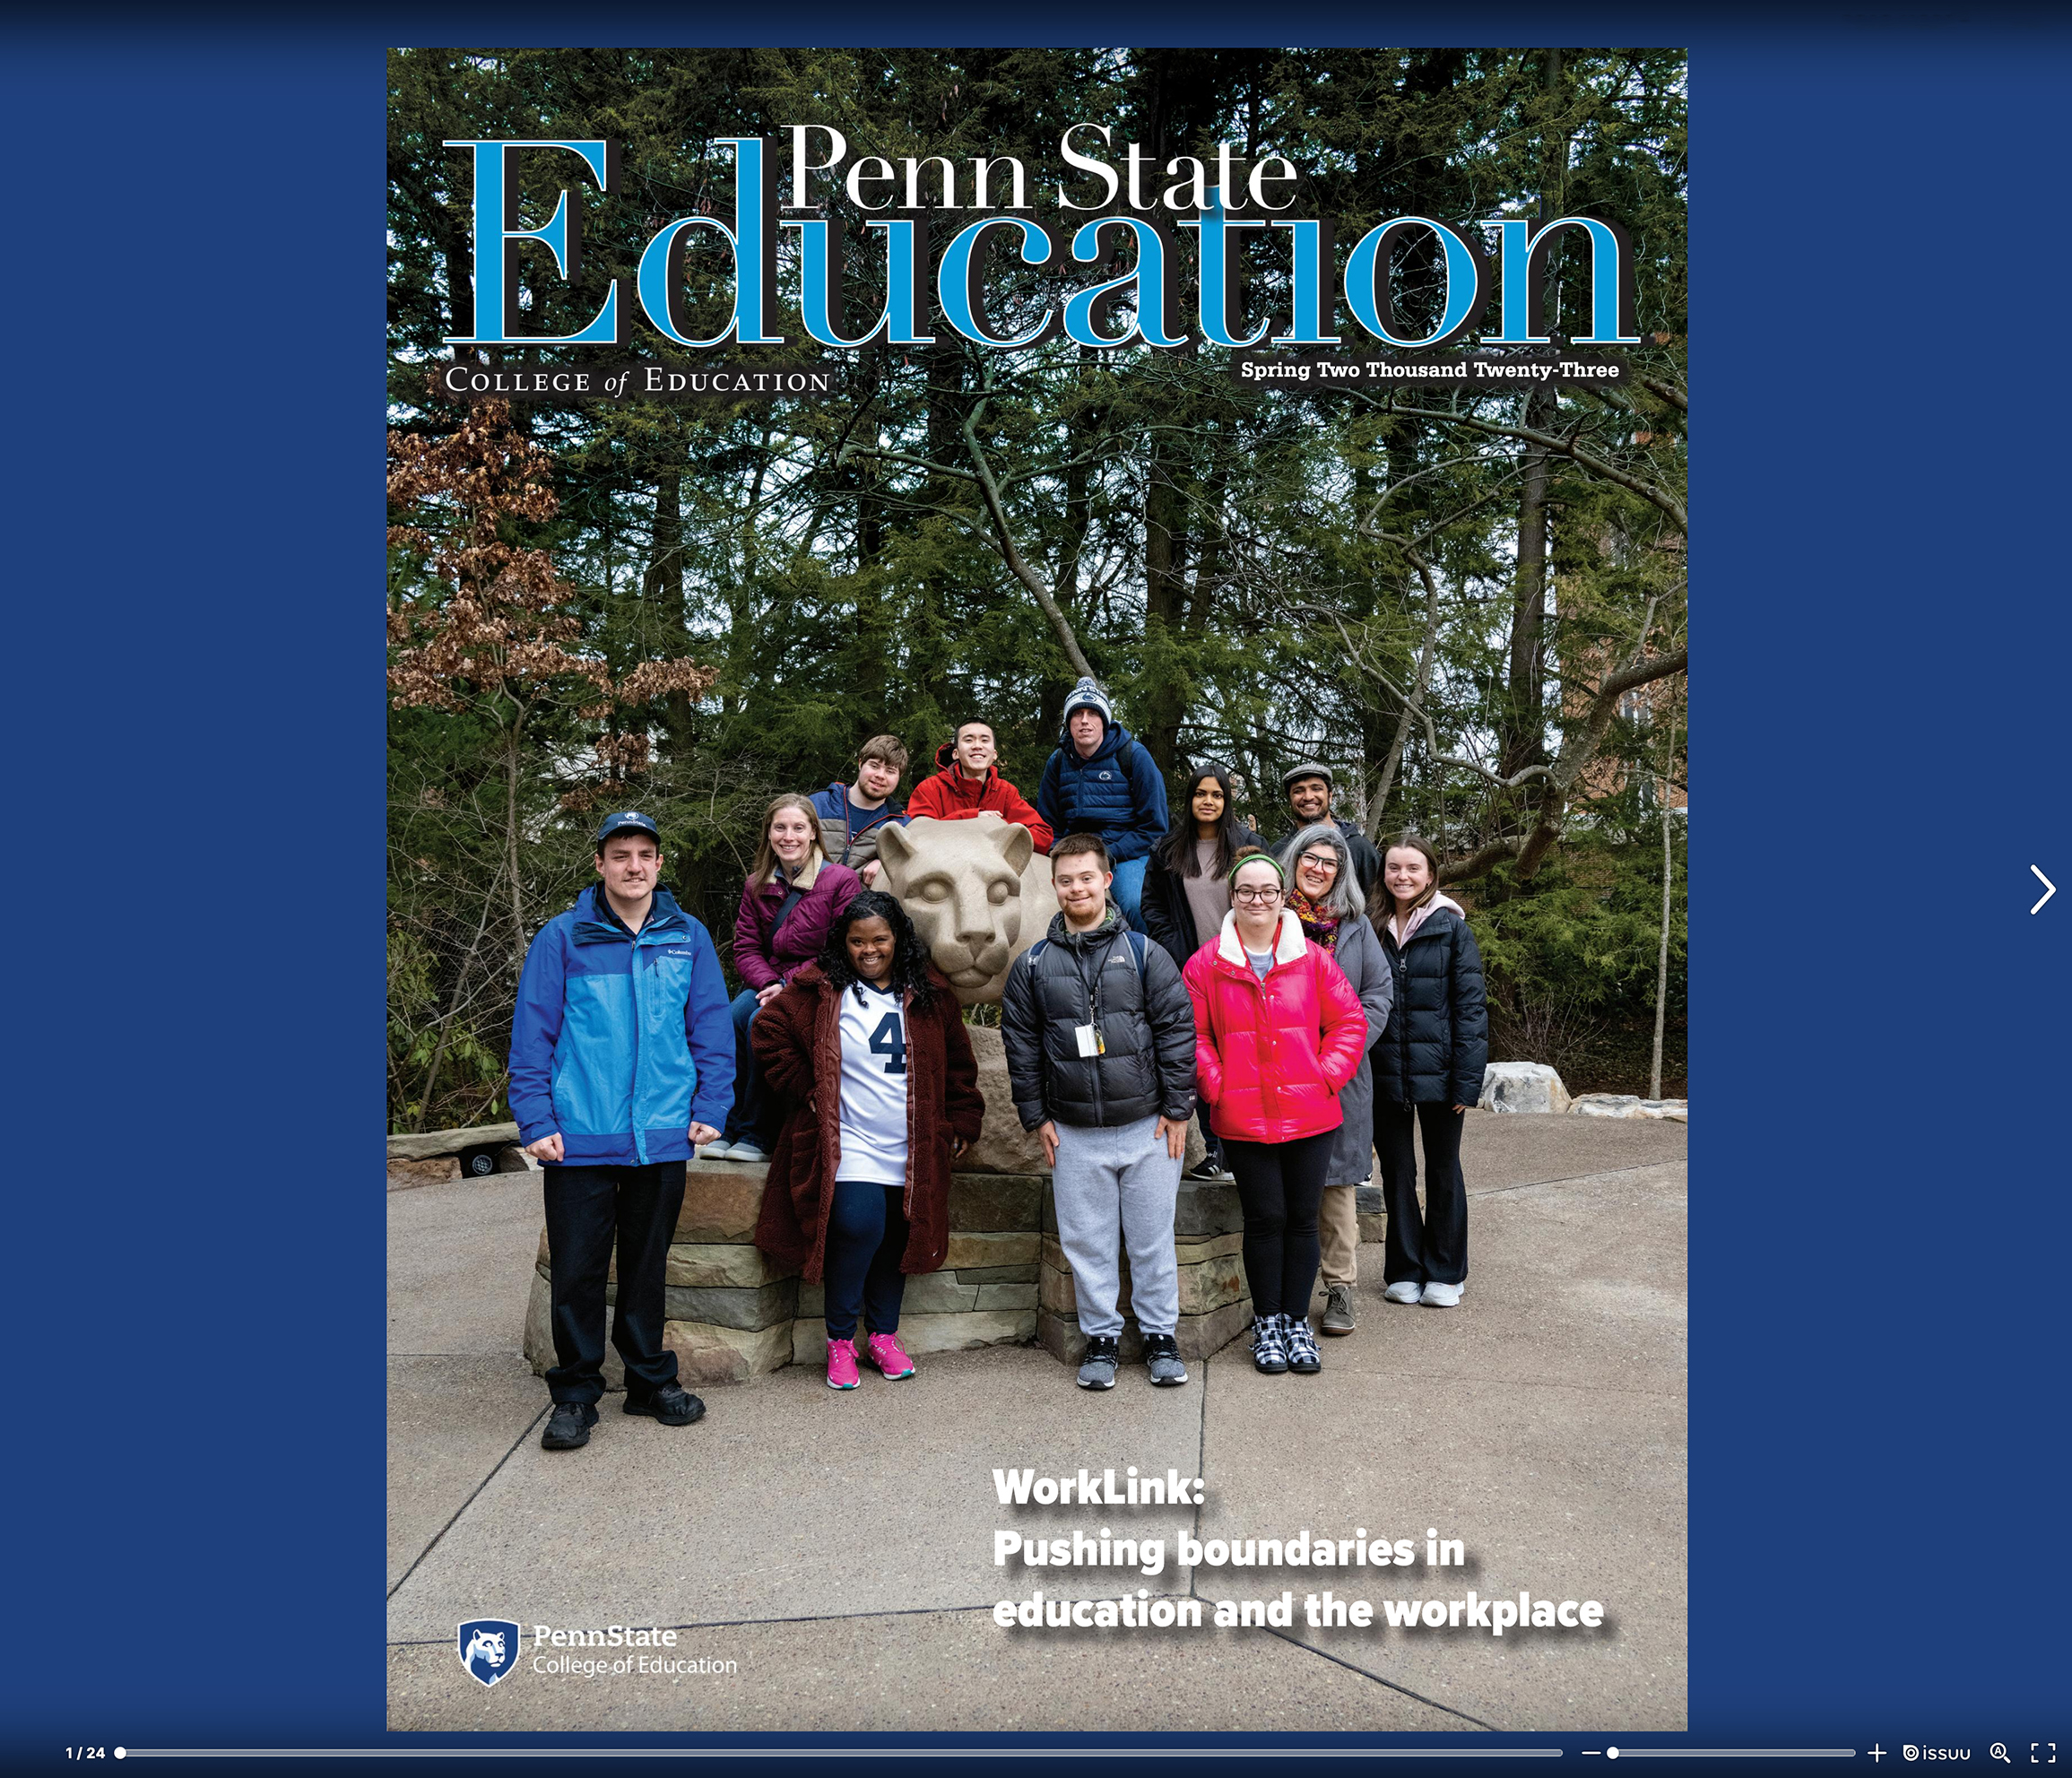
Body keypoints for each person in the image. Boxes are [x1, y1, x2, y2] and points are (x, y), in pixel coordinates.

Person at [508, 811, 736, 1451]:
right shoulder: (562, 938)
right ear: (600, 864)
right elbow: (533, 1036)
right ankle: (576, 1393)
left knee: (645, 1268)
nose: (633, 865)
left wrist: (712, 1105)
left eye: (644, 853)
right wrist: (536, 1118)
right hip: (577, 1136)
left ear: (659, 864)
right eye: (620, 854)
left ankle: (646, 1382)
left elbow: (712, 1031)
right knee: (578, 1271)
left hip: (661, 1133)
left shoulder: (687, 936)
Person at [752, 891, 985, 1389]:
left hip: (912, 1144)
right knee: (859, 1226)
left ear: (899, 939)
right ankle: (839, 1341)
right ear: (843, 942)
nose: (869, 950)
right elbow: (768, 1030)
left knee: (898, 1234)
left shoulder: (931, 996)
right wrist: (805, 1088)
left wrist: (963, 1119)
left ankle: (882, 1337)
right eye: (857, 941)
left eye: (880, 939)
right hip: (848, 1140)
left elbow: (960, 1067)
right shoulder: (819, 990)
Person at [1001, 834, 1198, 1392]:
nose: (1076, 888)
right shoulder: (1034, 965)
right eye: (1065, 880)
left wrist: (1179, 1107)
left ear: (1107, 880)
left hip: (1148, 1126)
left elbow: (1177, 1030)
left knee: (1151, 1238)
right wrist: (1036, 1116)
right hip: (1074, 1132)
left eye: (1086, 877)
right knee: (1087, 1242)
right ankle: (1102, 1339)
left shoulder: (1143, 953)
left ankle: (1162, 1338)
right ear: (1055, 886)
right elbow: (1022, 1046)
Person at [1183, 847, 1366, 1377]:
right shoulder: (1208, 963)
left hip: (1310, 1113)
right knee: (1265, 1220)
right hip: (1244, 1117)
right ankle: (1267, 1323)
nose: (1257, 900)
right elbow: (1192, 1035)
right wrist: (1217, 1085)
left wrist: (1324, 1074)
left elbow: (1349, 1022)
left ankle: (1295, 1322)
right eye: (1246, 892)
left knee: (1302, 1220)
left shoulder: (1311, 959)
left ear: (1282, 896)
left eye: (1267, 891)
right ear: (1233, 898)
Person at [1277, 823, 1393, 1337]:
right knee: (1280, 1187)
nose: (1318, 868)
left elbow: (1377, 996)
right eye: (1310, 858)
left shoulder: (1356, 926)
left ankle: (1340, 1287)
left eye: (1330, 862)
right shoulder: (1267, 916)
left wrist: (1336, 1055)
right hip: (1274, 1072)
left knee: (1336, 1187)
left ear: (1341, 871)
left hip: (1337, 1075)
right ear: (1295, 861)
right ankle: (1287, 1295)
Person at [1368, 834, 1488, 1310]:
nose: (1402, 876)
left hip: (1441, 1072)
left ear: (1431, 874)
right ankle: (1404, 1268)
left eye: (1412, 868)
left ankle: (1444, 1269)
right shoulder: (1371, 926)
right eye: (1394, 868)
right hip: (1385, 1072)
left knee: (1442, 1169)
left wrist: (1466, 1080)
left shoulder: (1451, 929)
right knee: (1397, 1170)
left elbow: (1472, 1010)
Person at [707, 794, 862, 1165]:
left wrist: (789, 982)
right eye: (780, 828)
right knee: (729, 1020)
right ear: (769, 834)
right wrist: (767, 983)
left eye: (797, 828)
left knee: (763, 1024)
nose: (788, 836)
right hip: (767, 981)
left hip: (817, 981)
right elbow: (745, 946)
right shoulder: (756, 884)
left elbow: (843, 948)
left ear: (812, 834)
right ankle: (726, 1127)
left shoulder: (841, 880)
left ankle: (756, 1133)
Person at [1141, 761, 1264, 1182]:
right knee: (1202, 1057)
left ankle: (1244, 1147)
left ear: (1226, 800)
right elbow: (1152, 906)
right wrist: (1175, 951)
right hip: (1191, 969)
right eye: (1200, 794)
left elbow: (1268, 897)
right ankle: (1213, 1151)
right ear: (1190, 799)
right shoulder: (1167, 850)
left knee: (1242, 1056)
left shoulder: (1249, 844)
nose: (1207, 801)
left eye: (1216, 795)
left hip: (1241, 965)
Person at [1035, 677, 1168, 935]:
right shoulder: (1058, 761)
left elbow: (1155, 826)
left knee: (1136, 904)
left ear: (1104, 722)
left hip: (1124, 853)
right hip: (1073, 852)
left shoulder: (1134, 756)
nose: (1085, 720)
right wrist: (1060, 851)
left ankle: (1151, 964)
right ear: (1068, 723)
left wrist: (1111, 853)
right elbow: (1048, 823)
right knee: (1041, 904)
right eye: (1077, 714)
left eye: (1093, 714)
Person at [904, 719, 1053, 851]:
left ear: (994, 754)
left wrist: (999, 828)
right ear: (955, 753)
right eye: (968, 740)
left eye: (984, 740)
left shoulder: (1006, 792)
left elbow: (1043, 836)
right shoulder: (930, 789)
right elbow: (917, 833)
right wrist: (973, 819)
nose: (977, 746)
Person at [809, 734, 908, 886]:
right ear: (861, 763)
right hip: (807, 902)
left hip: (860, 906)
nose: (880, 776)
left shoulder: (902, 825)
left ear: (899, 776)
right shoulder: (817, 805)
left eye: (890, 771)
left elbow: (912, 867)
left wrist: (887, 863)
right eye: (874, 766)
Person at [1273, 763, 1383, 900]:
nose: (1308, 797)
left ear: (1330, 796)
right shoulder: (1278, 852)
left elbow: (1380, 903)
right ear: (1290, 799)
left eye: (1316, 788)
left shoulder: (1360, 849)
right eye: (1298, 791)